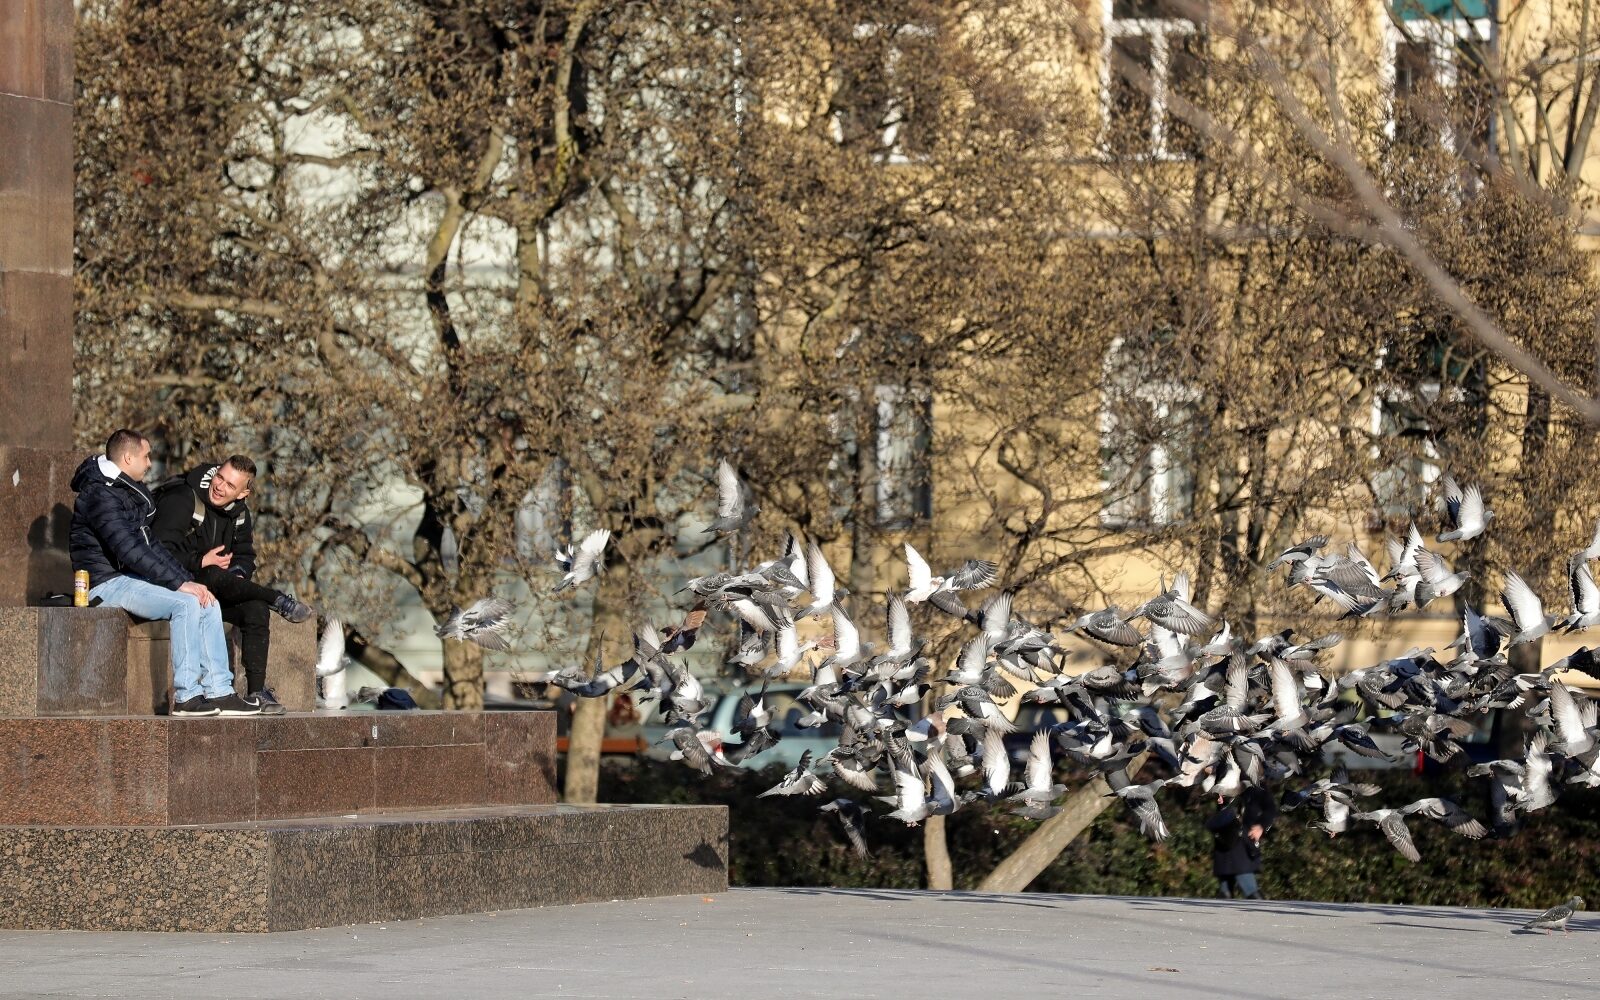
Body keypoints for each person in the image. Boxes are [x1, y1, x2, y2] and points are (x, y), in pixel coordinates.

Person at [69, 429, 260, 716]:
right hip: (103, 584)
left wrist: (186, 580)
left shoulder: (128, 491)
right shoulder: (100, 494)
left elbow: (152, 546)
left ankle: (220, 691)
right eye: (146, 457)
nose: (149, 463)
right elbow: (129, 550)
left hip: (129, 579)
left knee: (206, 601)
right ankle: (187, 696)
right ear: (128, 458)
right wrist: (180, 585)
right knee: (186, 603)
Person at [151, 455, 312, 715]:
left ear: (243, 493)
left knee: (255, 608)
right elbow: (156, 551)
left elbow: (245, 555)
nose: (220, 487)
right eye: (220, 477)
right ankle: (275, 598)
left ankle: (257, 692)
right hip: (177, 586)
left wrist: (238, 573)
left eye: (230, 485)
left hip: (216, 590)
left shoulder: (240, 515)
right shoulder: (183, 498)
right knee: (213, 573)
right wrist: (200, 561)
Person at [1206, 784, 1277, 900]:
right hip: (1225, 840)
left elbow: (1270, 810)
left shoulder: (1257, 787)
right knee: (1225, 893)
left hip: (1243, 843)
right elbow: (1222, 813)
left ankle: (1261, 911)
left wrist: (1261, 826)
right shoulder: (1225, 784)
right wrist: (1220, 800)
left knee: (1249, 889)